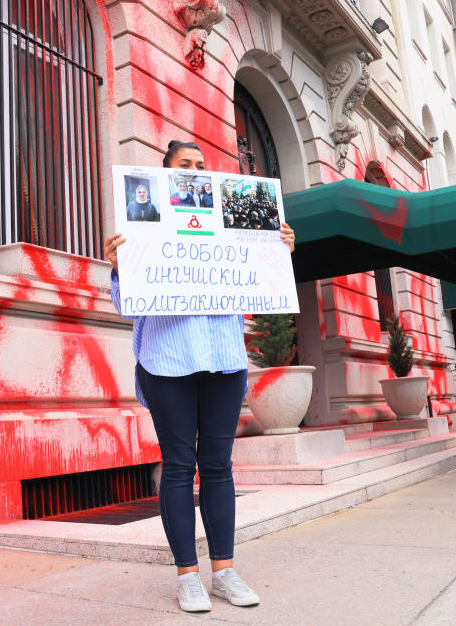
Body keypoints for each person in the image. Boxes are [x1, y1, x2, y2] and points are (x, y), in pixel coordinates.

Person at [104, 139, 296, 613]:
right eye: (184, 165)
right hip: (168, 360)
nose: (194, 170)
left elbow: (258, 289)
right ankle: (188, 577)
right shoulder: (141, 224)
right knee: (177, 466)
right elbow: (130, 306)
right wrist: (119, 267)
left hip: (224, 359)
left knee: (218, 467)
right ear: (165, 173)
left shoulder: (230, 221)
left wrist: (276, 252)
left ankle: (225, 572)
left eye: (200, 165)